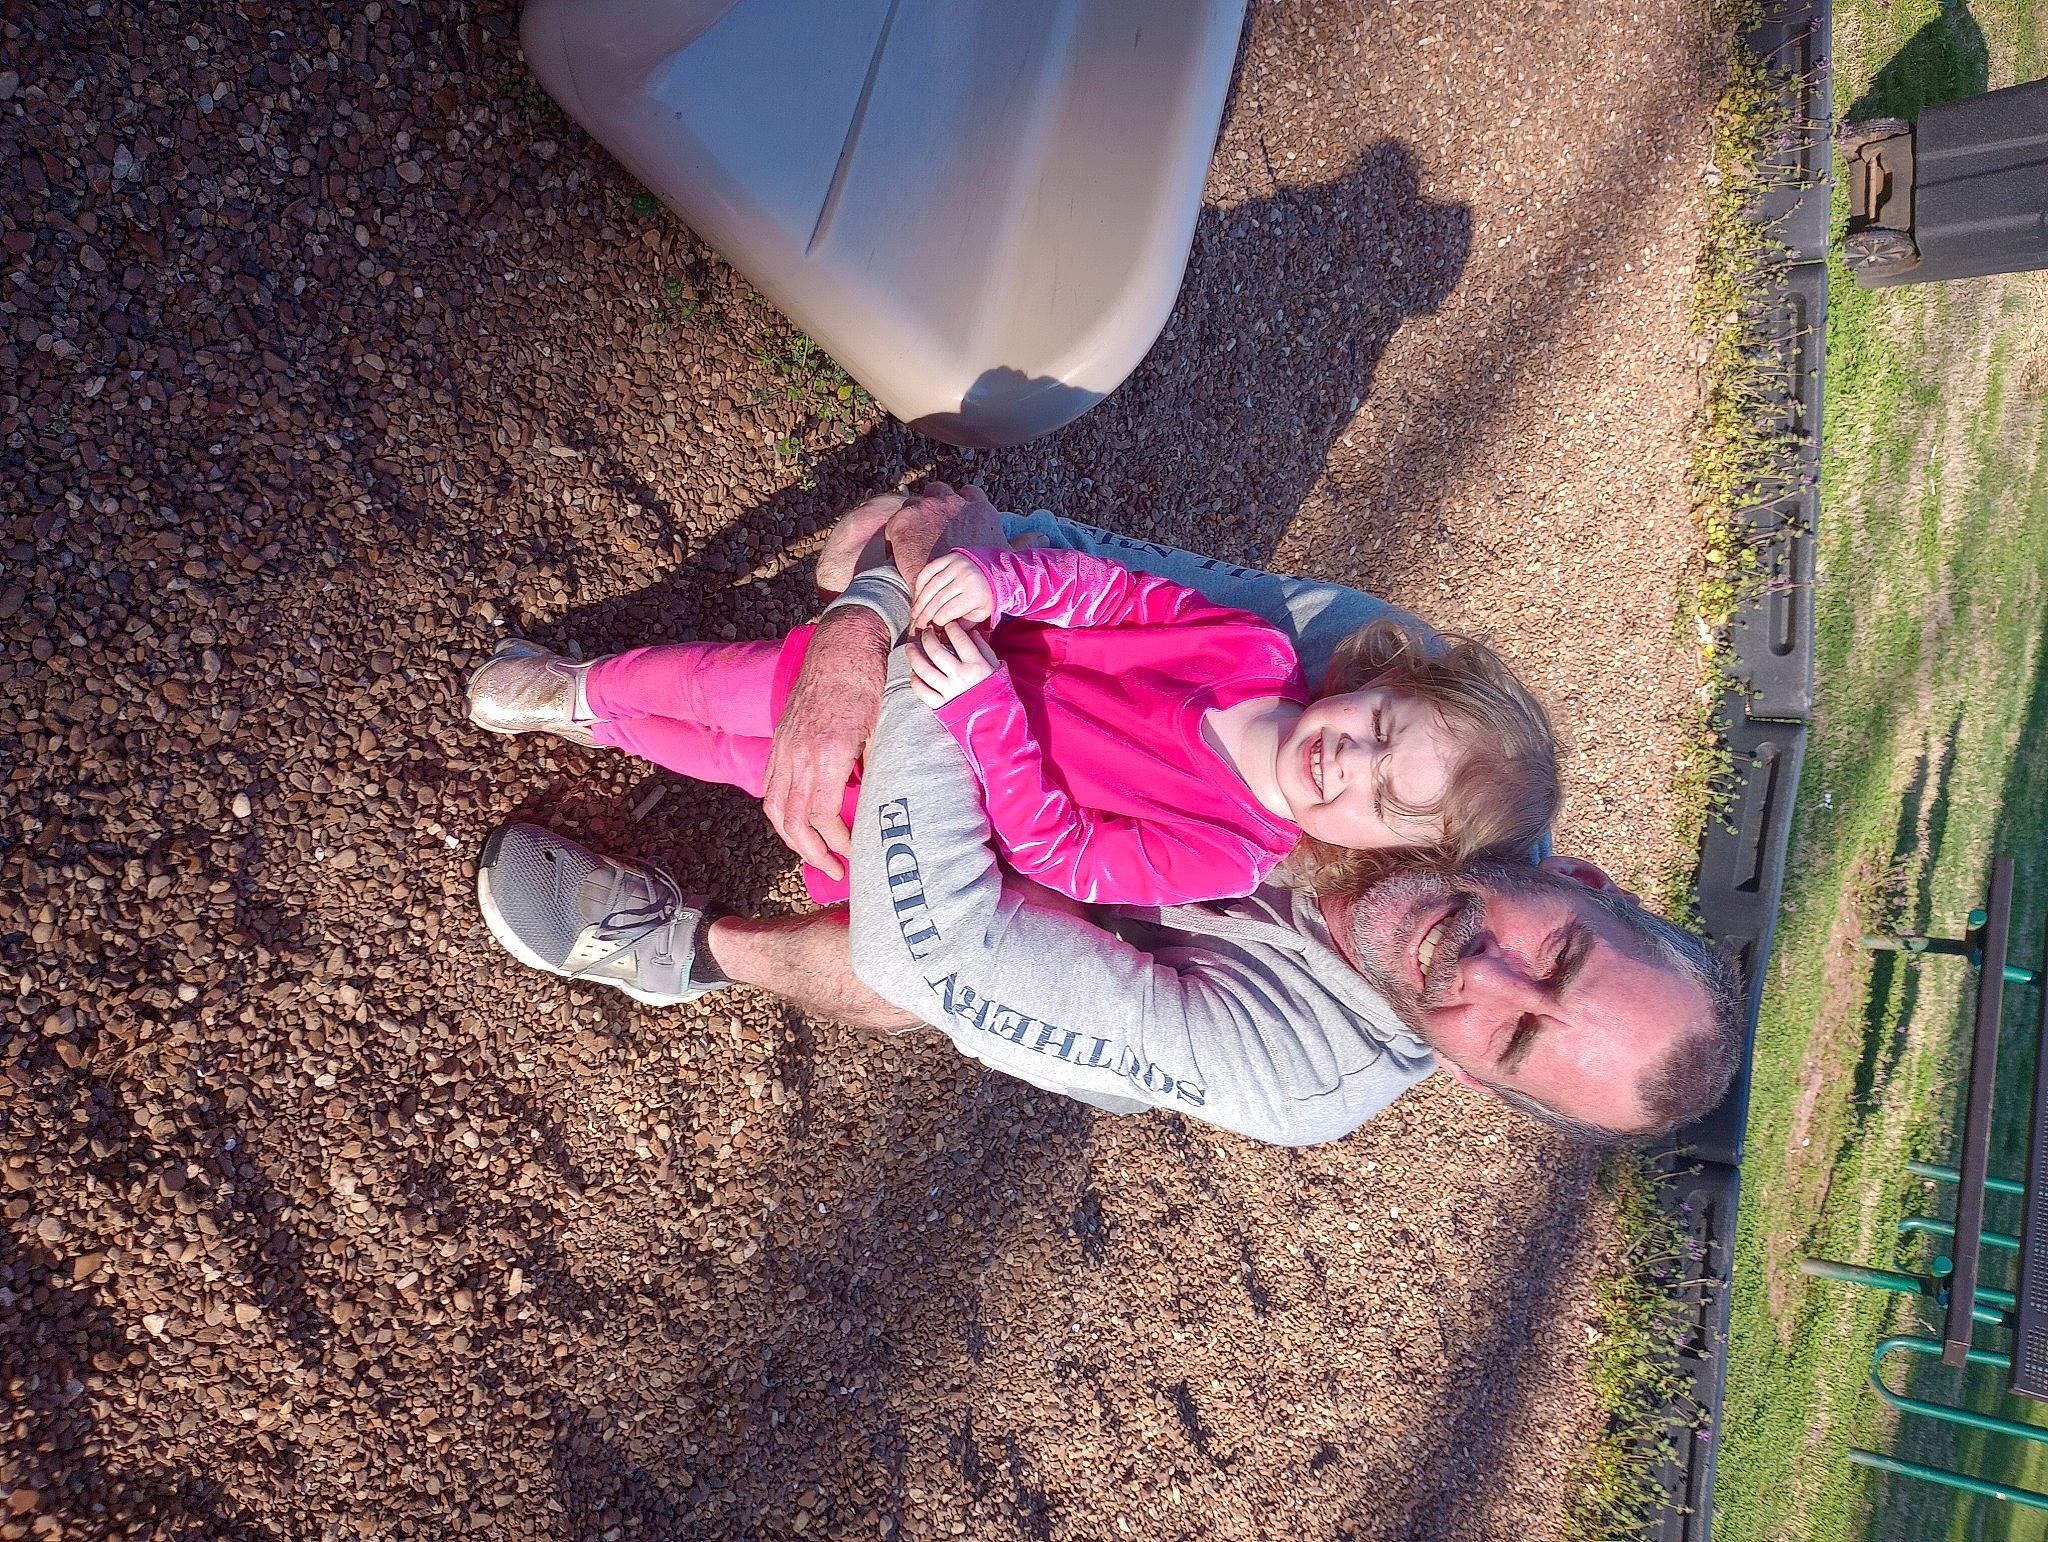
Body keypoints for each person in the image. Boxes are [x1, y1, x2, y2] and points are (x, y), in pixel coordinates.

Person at [472, 486, 1745, 1145]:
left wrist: (928, 686)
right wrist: (866, 632)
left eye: (1514, 1040)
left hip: (1017, 884)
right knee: (865, 549)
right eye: (1560, 957)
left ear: (1469, 1079)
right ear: (1578, 877)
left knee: (911, 970)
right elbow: (1030, 542)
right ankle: (595, 698)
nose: (1491, 973)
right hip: (1012, 699)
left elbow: (942, 950)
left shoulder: (1300, 1070)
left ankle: (687, 950)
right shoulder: (1402, 705)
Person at [465, 530, 1558, 910]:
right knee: (734, 687)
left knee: (743, 766)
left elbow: (1064, 856)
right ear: (1379, 679)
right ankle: (583, 682)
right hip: (924, 667)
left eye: (1378, 800)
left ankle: (598, 724)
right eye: (1377, 727)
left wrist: (990, 723)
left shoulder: (1226, 854)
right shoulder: (1254, 654)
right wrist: (1003, 579)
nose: (1346, 764)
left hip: (937, 770)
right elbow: (1115, 596)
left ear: (1380, 853)